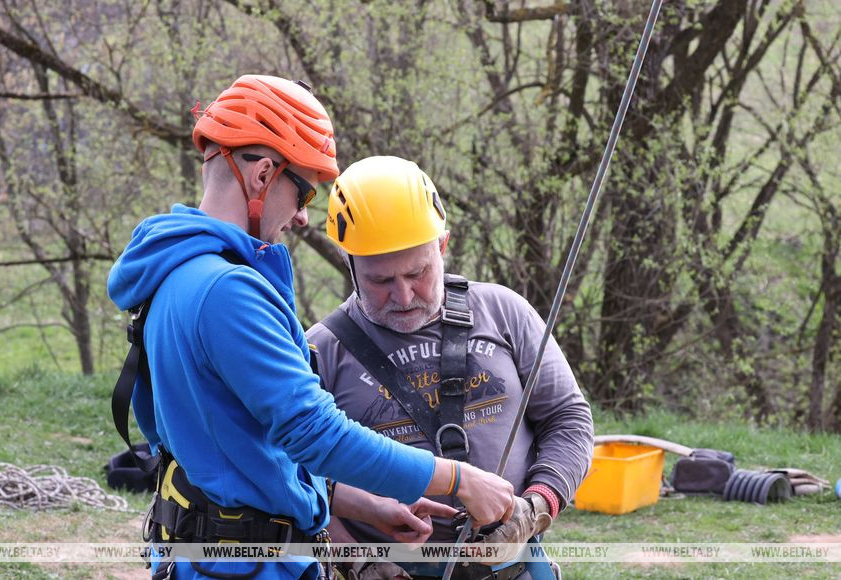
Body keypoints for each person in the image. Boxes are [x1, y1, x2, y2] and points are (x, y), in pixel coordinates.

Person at [107, 76, 516, 580]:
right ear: (262, 176)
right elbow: (314, 433)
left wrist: (369, 505)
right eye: (302, 192)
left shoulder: (176, 271)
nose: (302, 217)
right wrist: (455, 479)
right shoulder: (227, 292)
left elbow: (243, 450)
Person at [306, 156, 595, 580]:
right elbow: (296, 475)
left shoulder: (503, 312)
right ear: (347, 260)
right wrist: (357, 559)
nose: (403, 295)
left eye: (418, 272)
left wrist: (536, 507)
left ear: (442, 245)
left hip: (512, 566)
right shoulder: (320, 350)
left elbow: (568, 418)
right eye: (380, 281)